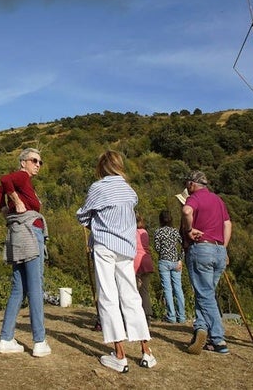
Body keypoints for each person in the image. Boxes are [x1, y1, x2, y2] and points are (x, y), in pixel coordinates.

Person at [76, 150, 156, 373]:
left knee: (108, 296)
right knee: (131, 295)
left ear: (102, 167)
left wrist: (91, 221)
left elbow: (82, 215)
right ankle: (146, 351)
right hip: (126, 247)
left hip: (104, 245)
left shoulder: (98, 187)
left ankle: (119, 354)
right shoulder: (130, 190)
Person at [0, 147, 51, 358]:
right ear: (23, 162)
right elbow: (4, 180)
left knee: (18, 287)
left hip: (17, 235)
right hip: (30, 233)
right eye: (34, 160)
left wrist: (4, 208)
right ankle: (39, 341)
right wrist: (16, 201)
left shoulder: (23, 181)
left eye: (40, 162)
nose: (38, 165)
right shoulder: (21, 176)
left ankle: (6, 338)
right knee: (36, 286)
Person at [181, 170, 232, 355]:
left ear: (192, 184)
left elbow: (186, 211)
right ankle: (200, 329)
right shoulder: (218, 200)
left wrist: (188, 229)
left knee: (205, 295)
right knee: (206, 293)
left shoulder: (194, 198)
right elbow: (228, 224)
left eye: (187, 184)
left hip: (202, 248)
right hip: (219, 249)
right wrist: (224, 248)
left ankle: (219, 340)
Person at [153, 210, 186, 324]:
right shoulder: (175, 232)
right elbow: (183, 246)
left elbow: (157, 248)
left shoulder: (158, 232)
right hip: (176, 261)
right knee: (178, 289)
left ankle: (171, 316)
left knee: (167, 289)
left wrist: (163, 253)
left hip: (164, 262)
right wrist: (180, 259)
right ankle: (181, 316)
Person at [134, 214, 154, 323]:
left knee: (134, 290)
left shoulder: (131, 232)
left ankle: (136, 314)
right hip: (146, 260)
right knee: (145, 290)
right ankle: (147, 314)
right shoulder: (145, 232)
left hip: (136, 261)